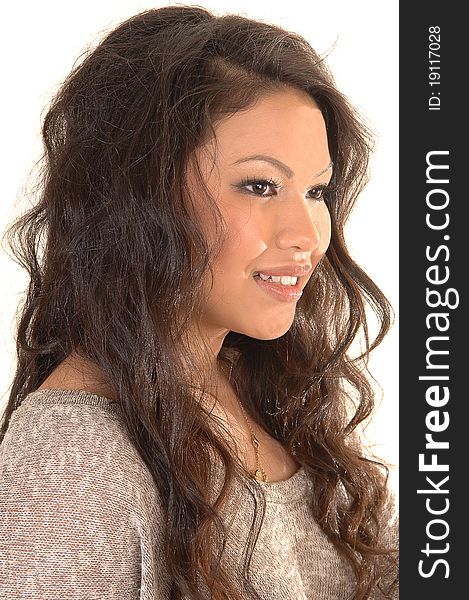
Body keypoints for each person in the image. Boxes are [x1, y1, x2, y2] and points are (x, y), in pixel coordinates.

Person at [0, 5, 398, 599]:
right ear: (141, 197)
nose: (308, 236)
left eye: (316, 190)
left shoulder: (268, 390)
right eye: (259, 186)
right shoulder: (71, 457)